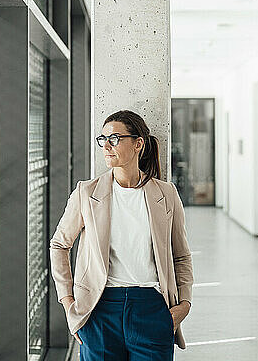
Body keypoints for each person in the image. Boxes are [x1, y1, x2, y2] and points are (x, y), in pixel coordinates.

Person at [50, 109, 194, 360]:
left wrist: (184, 304)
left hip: (152, 308)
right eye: (103, 139)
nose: (106, 146)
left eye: (114, 138)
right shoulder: (87, 193)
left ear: (138, 144)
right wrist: (68, 302)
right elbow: (59, 245)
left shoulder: (166, 194)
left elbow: (180, 255)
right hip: (99, 308)